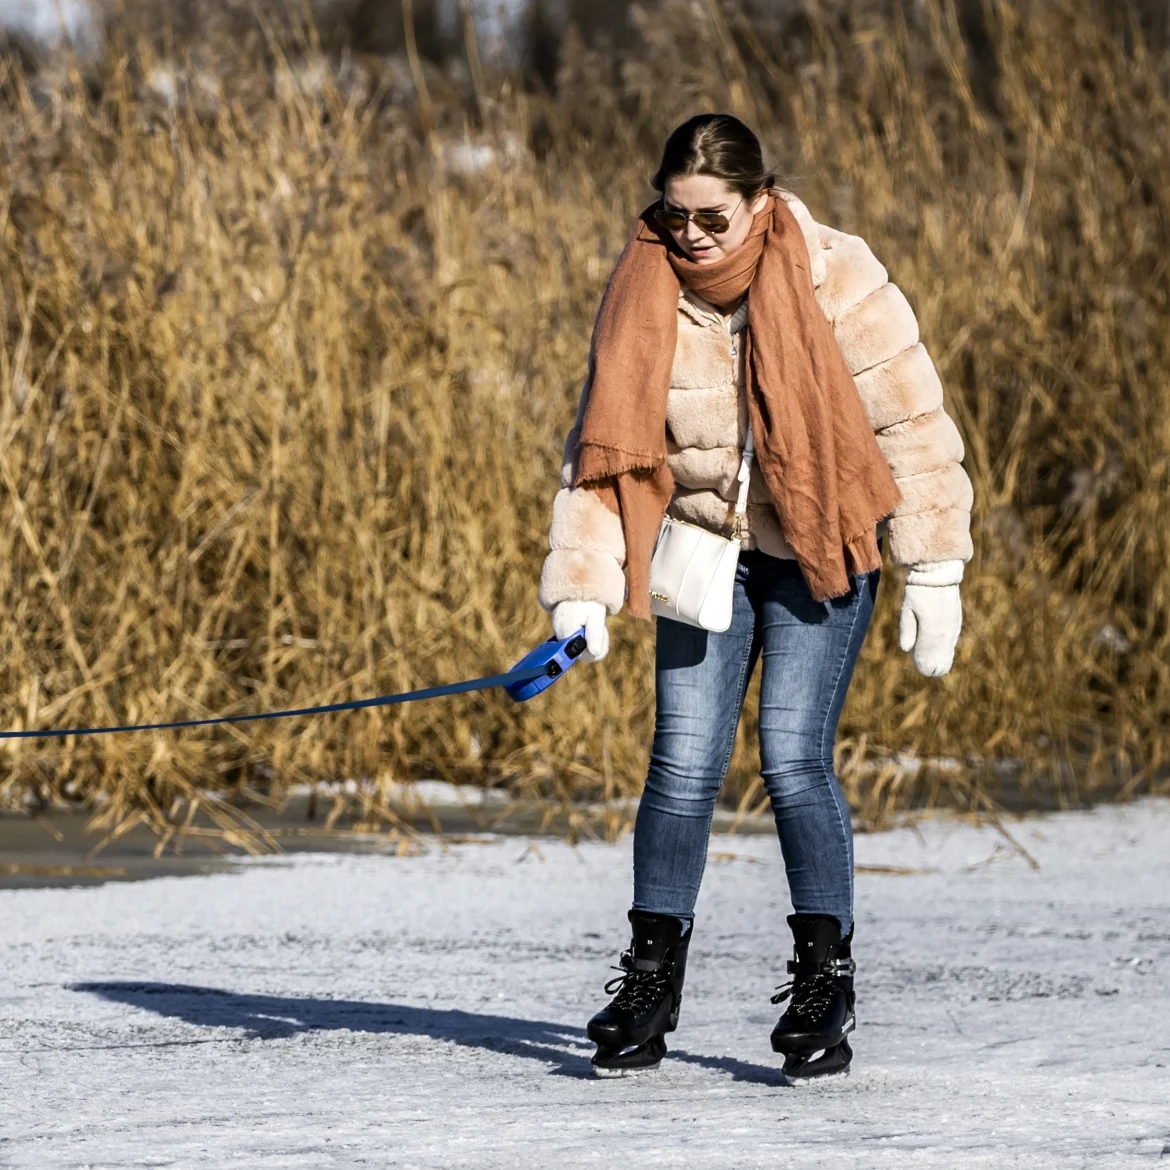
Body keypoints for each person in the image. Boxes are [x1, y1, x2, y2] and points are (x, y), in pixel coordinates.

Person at [538, 114, 972, 1078]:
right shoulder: (642, 289)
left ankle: (824, 985)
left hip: (820, 544)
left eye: (713, 218)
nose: (689, 235)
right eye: (674, 213)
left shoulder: (834, 272)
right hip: (704, 551)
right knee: (683, 763)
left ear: (759, 202)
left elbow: (910, 416)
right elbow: (601, 453)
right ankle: (651, 982)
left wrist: (934, 566)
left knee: (791, 759)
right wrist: (583, 587)